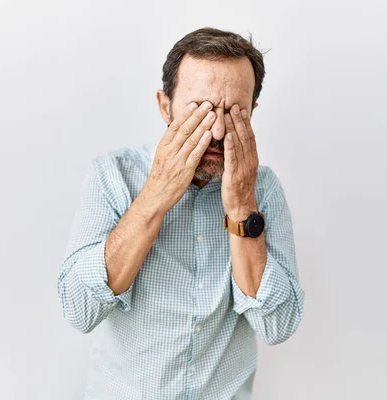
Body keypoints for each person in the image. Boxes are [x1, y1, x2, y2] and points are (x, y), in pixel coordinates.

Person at [57, 27, 305, 399]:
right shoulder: (113, 174)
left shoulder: (263, 189)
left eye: (236, 112)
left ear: (252, 111)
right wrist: (156, 193)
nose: (219, 129)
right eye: (200, 111)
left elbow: (278, 325)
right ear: (164, 105)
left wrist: (240, 206)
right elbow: (80, 309)